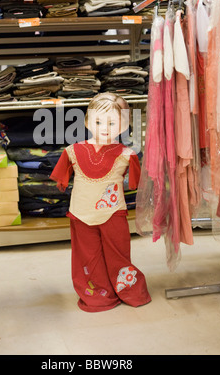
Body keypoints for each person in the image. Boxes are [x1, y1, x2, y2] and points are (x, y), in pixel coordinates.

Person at [50, 92, 151, 312]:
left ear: (124, 125)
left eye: (112, 123)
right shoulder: (71, 152)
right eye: (97, 121)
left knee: (119, 256)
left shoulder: (128, 155)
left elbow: (135, 183)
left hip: (113, 214)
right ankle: (97, 294)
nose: (104, 128)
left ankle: (127, 289)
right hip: (81, 213)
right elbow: (61, 179)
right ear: (87, 121)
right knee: (87, 258)